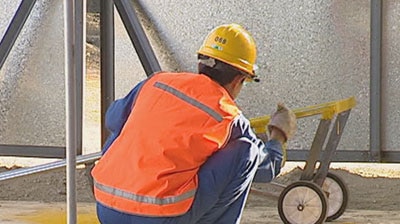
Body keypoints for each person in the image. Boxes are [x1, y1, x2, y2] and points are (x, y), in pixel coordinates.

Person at [91, 23, 297, 224]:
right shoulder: (230, 117)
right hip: (159, 216)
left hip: (107, 205)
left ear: (201, 63)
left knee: (125, 121)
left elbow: (112, 118)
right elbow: (266, 168)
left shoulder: (156, 83)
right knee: (247, 151)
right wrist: (278, 135)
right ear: (239, 80)